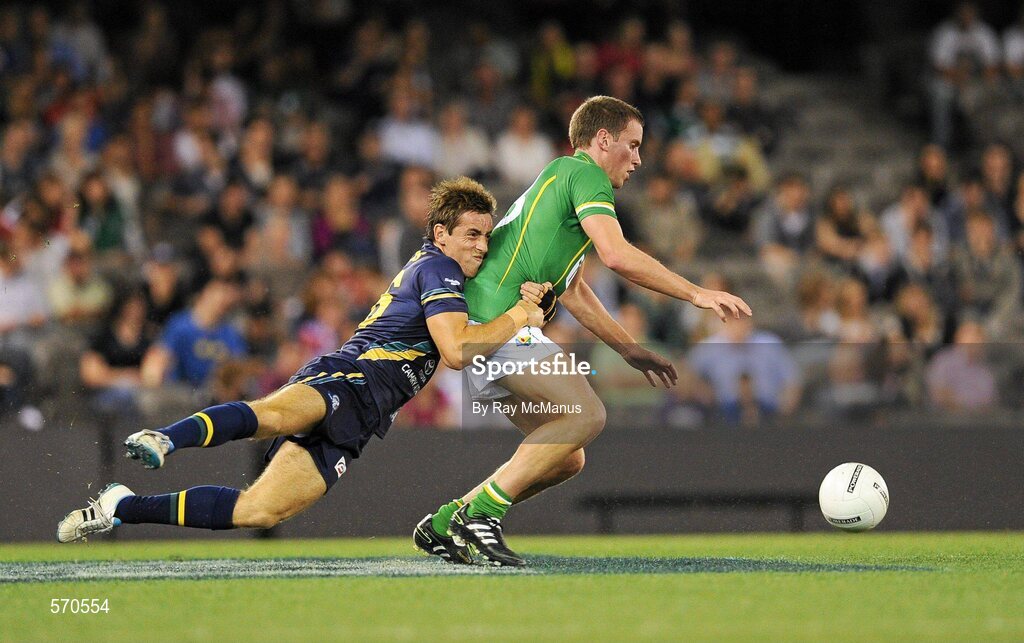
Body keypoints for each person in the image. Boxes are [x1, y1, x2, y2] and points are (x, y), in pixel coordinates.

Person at [56, 178, 550, 559]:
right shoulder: (437, 267)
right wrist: (519, 316)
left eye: (487, 236)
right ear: (441, 234)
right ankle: (164, 437)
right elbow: (458, 351)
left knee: (259, 510)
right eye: (472, 234)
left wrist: (529, 304)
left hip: (365, 413)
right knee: (271, 415)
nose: (482, 246)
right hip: (350, 377)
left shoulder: (451, 276)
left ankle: (121, 506)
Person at [418, 96, 750, 567]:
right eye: (632, 146)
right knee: (585, 415)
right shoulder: (585, 174)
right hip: (498, 320)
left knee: (567, 454)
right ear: (603, 140)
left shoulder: (560, 182)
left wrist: (630, 350)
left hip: (490, 324)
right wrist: (696, 293)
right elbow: (616, 255)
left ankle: (448, 520)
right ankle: (482, 516)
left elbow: (573, 292)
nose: (637, 159)